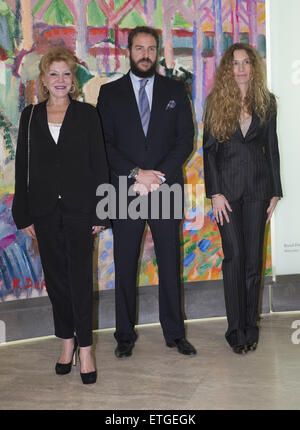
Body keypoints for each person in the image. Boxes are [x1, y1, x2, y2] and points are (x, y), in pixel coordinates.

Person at [97, 26, 197, 358]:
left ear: (157, 52)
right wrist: (135, 173)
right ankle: (124, 335)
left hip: (165, 188)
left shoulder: (175, 89)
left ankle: (175, 333)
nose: (146, 55)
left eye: (152, 49)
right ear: (129, 51)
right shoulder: (110, 93)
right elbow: (105, 144)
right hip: (125, 190)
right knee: (125, 264)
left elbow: (186, 139)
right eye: (139, 48)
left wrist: (158, 175)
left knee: (170, 263)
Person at [12, 47, 110, 383]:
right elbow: (23, 168)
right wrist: (22, 214)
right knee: (56, 282)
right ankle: (65, 343)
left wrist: (102, 211)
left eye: (66, 74)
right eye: (53, 74)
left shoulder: (87, 114)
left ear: (74, 80)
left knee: (81, 281)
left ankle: (86, 349)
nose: (60, 80)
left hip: (81, 210)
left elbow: (100, 165)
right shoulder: (30, 116)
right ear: (43, 79)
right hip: (43, 212)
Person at [203, 43, 282, 354]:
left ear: (253, 66)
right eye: (234, 63)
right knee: (235, 258)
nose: (240, 68)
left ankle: (251, 327)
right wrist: (215, 193)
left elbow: (272, 150)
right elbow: (208, 150)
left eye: (246, 62)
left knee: (253, 262)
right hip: (228, 194)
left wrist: (275, 191)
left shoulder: (267, 102)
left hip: (258, 191)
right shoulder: (215, 103)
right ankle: (235, 330)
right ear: (227, 68)